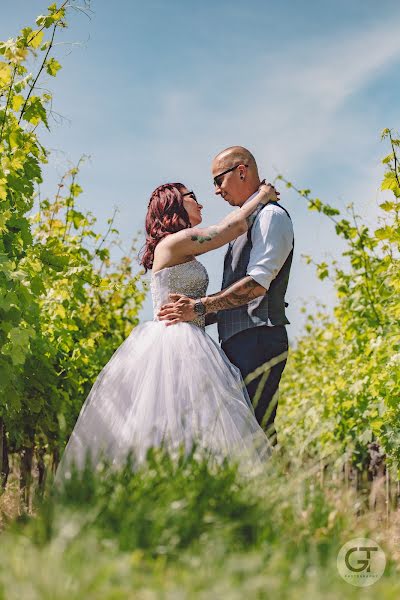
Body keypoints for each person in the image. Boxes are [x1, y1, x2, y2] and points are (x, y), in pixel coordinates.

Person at [54, 179, 279, 485]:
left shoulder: (182, 247)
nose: (200, 203)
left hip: (192, 337)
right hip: (176, 344)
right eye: (192, 197)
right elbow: (233, 227)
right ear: (174, 204)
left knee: (193, 427)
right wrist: (262, 196)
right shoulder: (174, 243)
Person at [158, 147, 294, 444]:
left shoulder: (270, 216)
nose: (215, 192)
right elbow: (225, 230)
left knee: (255, 434)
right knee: (230, 436)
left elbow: (257, 285)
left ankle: (271, 490)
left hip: (258, 337)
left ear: (241, 172)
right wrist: (195, 314)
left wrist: (199, 307)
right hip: (234, 343)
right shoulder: (239, 226)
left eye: (218, 181)